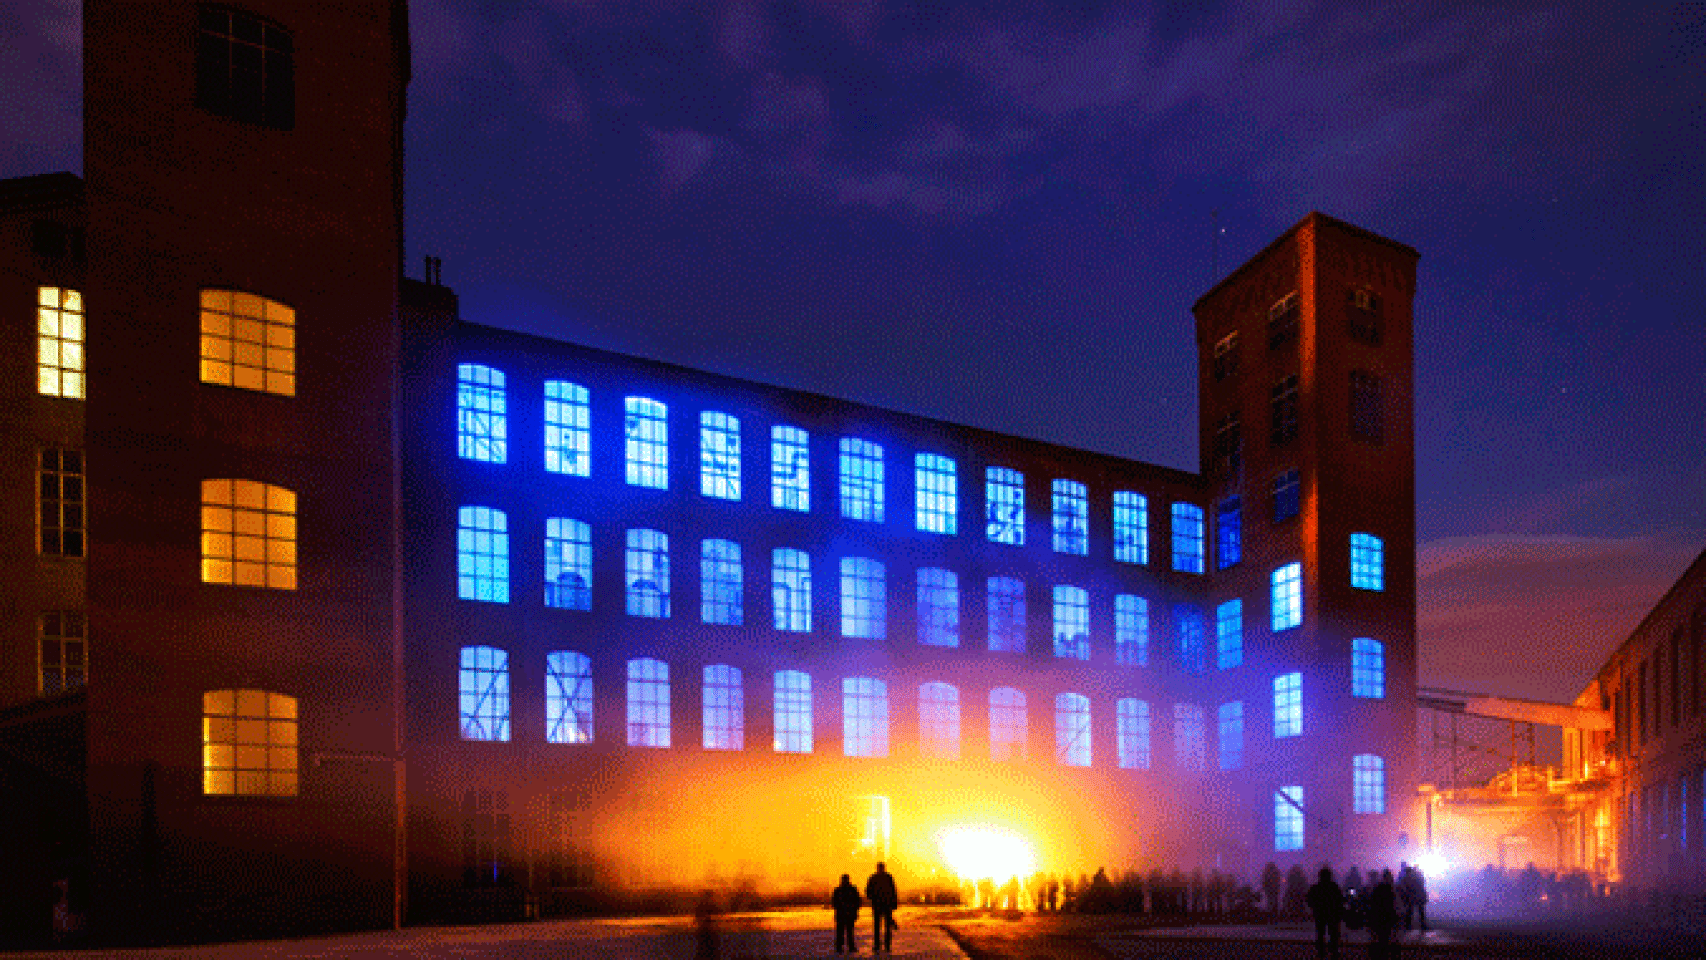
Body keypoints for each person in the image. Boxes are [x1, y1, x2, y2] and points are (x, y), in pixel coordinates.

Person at [1305, 867, 1345, 959]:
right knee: (1333, 934)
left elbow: (1309, 900)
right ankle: (1334, 952)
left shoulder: (1316, 887)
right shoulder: (1334, 887)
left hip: (1320, 914)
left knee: (1320, 934)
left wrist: (1314, 908)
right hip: (1333, 914)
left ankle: (1321, 952)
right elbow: (1340, 900)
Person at [865, 862, 899, 953]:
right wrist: (893, 903)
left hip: (877, 905)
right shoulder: (888, 877)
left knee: (877, 927)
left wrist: (873, 898)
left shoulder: (873, 878)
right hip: (886, 905)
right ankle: (887, 946)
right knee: (886, 927)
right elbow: (893, 891)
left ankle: (877, 945)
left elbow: (868, 891)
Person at [1368, 869, 1399, 960]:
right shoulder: (1392, 888)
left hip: (1378, 916)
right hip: (1388, 916)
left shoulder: (1378, 888)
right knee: (1387, 938)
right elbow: (1395, 904)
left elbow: (1373, 902)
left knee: (1379, 938)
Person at [832, 874, 862, 954]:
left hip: (846, 914)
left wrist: (855, 910)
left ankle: (846, 947)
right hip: (843, 914)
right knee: (843, 932)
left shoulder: (841, 890)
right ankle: (842, 947)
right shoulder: (848, 890)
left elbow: (857, 901)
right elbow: (834, 902)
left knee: (848, 932)